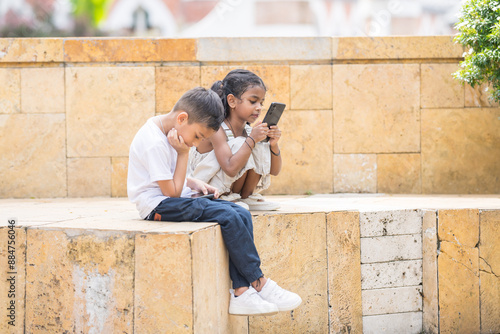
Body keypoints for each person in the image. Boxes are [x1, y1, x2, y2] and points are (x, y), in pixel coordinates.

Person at [127, 87, 301, 316]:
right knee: (228, 216)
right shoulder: (155, 141)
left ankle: (241, 291)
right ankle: (259, 282)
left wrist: (194, 183)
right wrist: (182, 154)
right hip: (157, 206)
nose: (195, 143)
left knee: (240, 211)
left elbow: (166, 176)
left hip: (171, 198)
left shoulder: (168, 130)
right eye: (198, 136)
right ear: (182, 119)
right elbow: (170, 193)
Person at [187, 69, 282, 211]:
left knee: (257, 143)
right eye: (253, 101)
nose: (259, 108)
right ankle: (226, 197)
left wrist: (273, 145)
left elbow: (275, 171)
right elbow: (230, 169)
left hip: (235, 190)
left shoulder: (249, 131)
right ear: (231, 101)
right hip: (204, 189)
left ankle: (244, 197)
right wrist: (251, 140)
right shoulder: (216, 129)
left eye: (261, 103)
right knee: (243, 143)